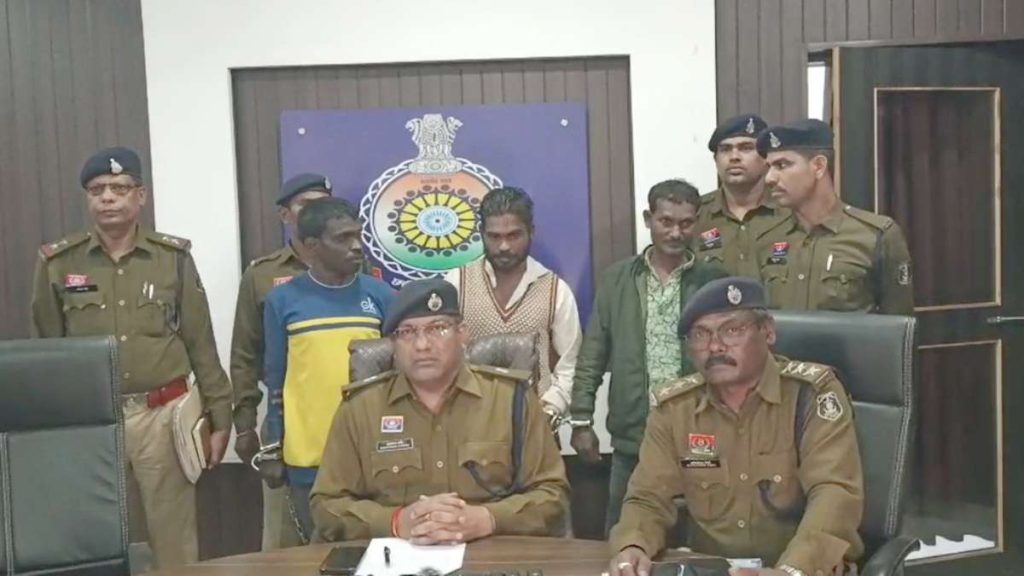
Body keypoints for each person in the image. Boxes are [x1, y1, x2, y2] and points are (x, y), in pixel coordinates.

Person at [30, 147, 232, 568]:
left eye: (119, 188)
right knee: (92, 536)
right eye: (97, 190)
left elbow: (201, 343)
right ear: (88, 199)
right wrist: (52, 434)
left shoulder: (172, 259)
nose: (107, 197)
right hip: (91, 421)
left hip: (163, 416)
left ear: (140, 196)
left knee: (173, 540)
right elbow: (45, 354)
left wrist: (220, 416)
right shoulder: (58, 263)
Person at [609, 277, 863, 576]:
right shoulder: (675, 410)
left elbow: (834, 493)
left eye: (732, 330)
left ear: (767, 331)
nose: (715, 347)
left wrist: (791, 570)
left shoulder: (811, 395)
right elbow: (648, 497)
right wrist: (633, 547)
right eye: (700, 335)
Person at [310, 279, 569, 543]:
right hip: (395, 555)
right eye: (407, 332)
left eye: (438, 328)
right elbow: (326, 505)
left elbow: (553, 495)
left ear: (462, 334)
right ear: (393, 344)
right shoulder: (360, 408)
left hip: (490, 553)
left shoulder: (510, 398)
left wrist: (489, 518)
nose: (422, 345)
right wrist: (395, 522)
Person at [568, 179, 727, 535]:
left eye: (685, 223)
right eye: (666, 221)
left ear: (697, 223)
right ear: (647, 219)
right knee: (625, 534)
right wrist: (581, 420)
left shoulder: (713, 282)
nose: (675, 232)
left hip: (700, 433)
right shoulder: (618, 280)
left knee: (702, 537)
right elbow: (593, 354)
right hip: (633, 436)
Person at [261, 197, 395, 542]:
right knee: (318, 551)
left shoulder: (381, 296)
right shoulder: (283, 300)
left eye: (358, 235)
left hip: (373, 451)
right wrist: (273, 444)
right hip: (309, 452)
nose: (356, 246)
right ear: (312, 246)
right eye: (343, 238)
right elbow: (276, 378)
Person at [230, 173, 331, 549]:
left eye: (323, 203)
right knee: (283, 536)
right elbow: (244, 354)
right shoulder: (262, 274)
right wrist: (244, 426)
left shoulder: (353, 264)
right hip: (283, 415)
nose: (315, 212)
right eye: (305, 204)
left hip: (344, 411)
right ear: (284, 215)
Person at [444, 186, 582, 425]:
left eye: (513, 236)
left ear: (531, 232)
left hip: (536, 424)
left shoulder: (555, 290)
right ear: (482, 234)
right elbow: (441, 356)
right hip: (468, 424)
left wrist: (549, 411)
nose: (504, 246)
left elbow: (570, 364)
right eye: (494, 236)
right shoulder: (457, 283)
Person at [756, 119, 914, 314]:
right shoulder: (767, 239)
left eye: (782, 165)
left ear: (818, 166)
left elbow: (898, 324)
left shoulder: (875, 236)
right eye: (768, 167)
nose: (769, 178)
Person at [695, 114, 790, 280]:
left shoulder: (790, 212)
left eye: (746, 148)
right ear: (716, 160)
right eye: (725, 149)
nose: (734, 157)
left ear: (766, 158)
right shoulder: (696, 215)